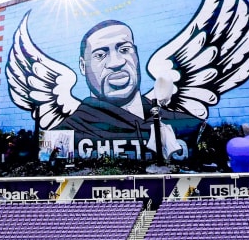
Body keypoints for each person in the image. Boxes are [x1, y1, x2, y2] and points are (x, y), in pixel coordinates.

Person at [54, 21, 205, 162]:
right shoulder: (66, 131)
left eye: (125, 50)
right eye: (100, 54)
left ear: (136, 55)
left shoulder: (186, 124)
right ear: (82, 66)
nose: (116, 62)